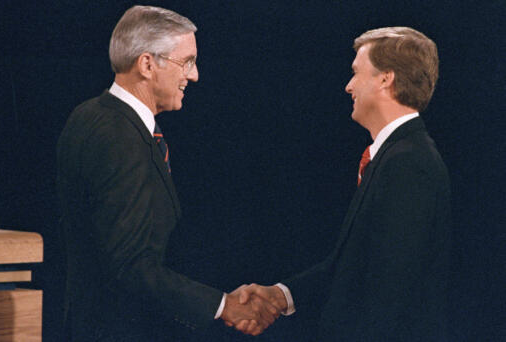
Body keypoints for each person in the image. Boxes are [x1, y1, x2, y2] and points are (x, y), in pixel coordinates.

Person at [56, 5, 278, 341]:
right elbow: (128, 265)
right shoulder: (118, 135)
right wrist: (223, 305)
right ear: (146, 64)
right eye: (186, 61)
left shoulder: (92, 116)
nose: (194, 75)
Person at [239, 27, 451, 341]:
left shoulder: (410, 164)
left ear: (385, 78)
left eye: (355, 73)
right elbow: (355, 267)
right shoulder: (394, 157)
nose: (348, 86)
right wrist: (281, 295)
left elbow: (388, 294)